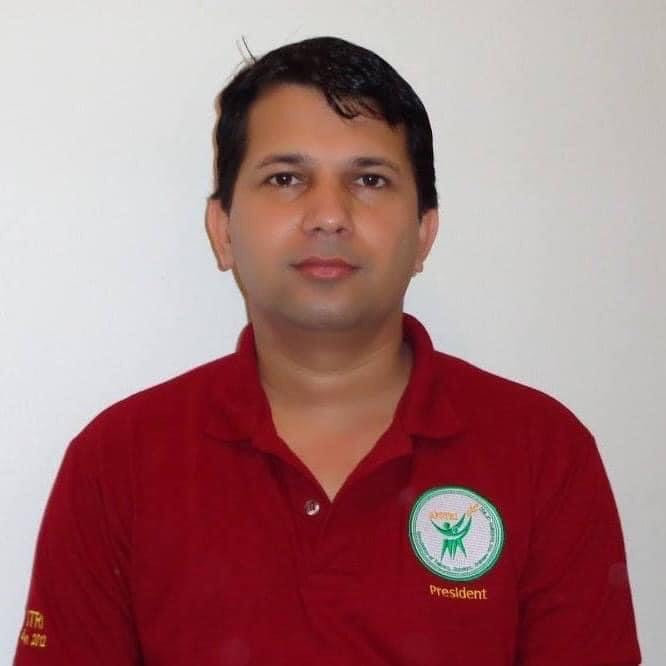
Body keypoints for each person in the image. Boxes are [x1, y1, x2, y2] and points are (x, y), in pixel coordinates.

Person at [15, 36, 640, 665]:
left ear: (424, 233)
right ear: (223, 229)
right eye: (285, 178)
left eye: (369, 180)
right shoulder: (118, 462)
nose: (329, 215)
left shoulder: (541, 452)